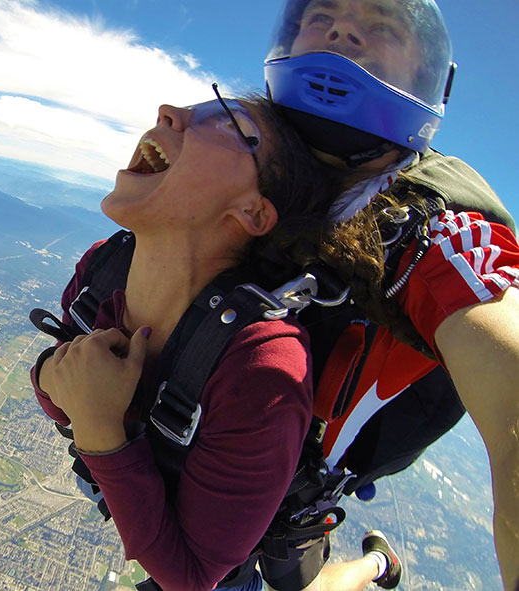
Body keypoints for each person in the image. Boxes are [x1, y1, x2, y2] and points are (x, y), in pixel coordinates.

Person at [255, 0, 519, 589]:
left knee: (292, 581)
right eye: (320, 17)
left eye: (382, 26)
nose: (343, 30)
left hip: (302, 476)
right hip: (227, 437)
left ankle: (378, 564)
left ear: (428, 76)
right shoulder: (231, 163)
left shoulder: (435, 225)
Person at [29, 91, 340, 590]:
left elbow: (194, 577)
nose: (167, 111)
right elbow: (59, 382)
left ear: (254, 213)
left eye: (229, 122)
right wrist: (60, 382)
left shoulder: (263, 370)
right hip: (136, 500)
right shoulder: (103, 269)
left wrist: (99, 426)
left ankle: (374, 567)